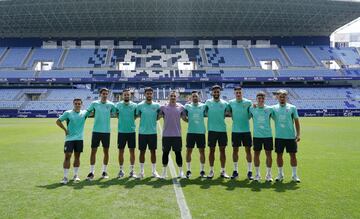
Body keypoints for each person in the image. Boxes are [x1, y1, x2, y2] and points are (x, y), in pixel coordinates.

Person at [86, 88, 116, 180]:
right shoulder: (94, 103)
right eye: (103, 93)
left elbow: (115, 114)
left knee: (106, 152)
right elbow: (88, 113)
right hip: (96, 131)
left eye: (106, 94)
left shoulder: (111, 104)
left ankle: (104, 171)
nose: (105, 95)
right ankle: (91, 172)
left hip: (106, 132)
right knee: (93, 151)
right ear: (100, 94)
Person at [56, 98, 89, 184]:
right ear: (73, 104)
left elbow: (94, 111)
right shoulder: (68, 113)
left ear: (81, 104)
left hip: (79, 139)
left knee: (77, 157)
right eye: (76, 104)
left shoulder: (84, 113)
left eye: (79, 104)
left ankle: (75, 175)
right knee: (67, 156)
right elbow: (58, 121)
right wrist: (65, 130)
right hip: (69, 139)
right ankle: (65, 177)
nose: (77, 105)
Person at [272, 89, 301, 182]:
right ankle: (280, 174)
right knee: (279, 156)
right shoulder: (273, 108)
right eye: (280, 96)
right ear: (277, 97)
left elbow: (296, 122)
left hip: (290, 137)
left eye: (283, 97)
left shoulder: (292, 108)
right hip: (279, 137)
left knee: (293, 156)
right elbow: (263, 108)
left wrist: (298, 134)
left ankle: (294, 175)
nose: (282, 98)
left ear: (286, 97)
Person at [227, 86, 254, 180]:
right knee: (235, 150)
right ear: (234, 94)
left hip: (246, 131)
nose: (238, 94)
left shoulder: (248, 102)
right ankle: (235, 171)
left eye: (240, 92)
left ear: (242, 93)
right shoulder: (230, 103)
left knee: (248, 151)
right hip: (235, 131)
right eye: (237, 93)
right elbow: (228, 112)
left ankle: (250, 171)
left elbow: (250, 115)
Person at [159, 91, 185, 179]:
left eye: (174, 96)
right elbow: (158, 116)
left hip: (177, 135)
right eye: (171, 96)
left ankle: (181, 172)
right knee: (165, 153)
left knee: (178, 153)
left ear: (176, 97)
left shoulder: (181, 107)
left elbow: (184, 118)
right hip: (166, 135)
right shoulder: (163, 107)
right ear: (168, 97)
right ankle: (164, 172)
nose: (173, 97)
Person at [136, 87, 161, 178]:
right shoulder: (140, 105)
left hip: (153, 133)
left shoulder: (157, 105)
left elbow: (159, 116)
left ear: (152, 94)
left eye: (150, 93)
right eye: (147, 93)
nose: (149, 95)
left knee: (153, 152)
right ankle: (141, 172)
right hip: (142, 133)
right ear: (145, 94)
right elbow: (138, 115)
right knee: (142, 152)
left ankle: (154, 171)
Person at [205, 85, 229, 178]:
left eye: (217, 92)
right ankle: (211, 171)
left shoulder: (225, 103)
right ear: (212, 93)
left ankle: (223, 171)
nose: (216, 93)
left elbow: (229, 112)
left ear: (220, 92)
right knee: (211, 151)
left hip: (222, 131)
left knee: (222, 151)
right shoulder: (207, 102)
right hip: (212, 131)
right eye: (214, 92)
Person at [249, 92, 274, 182]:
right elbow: (248, 116)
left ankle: (268, 174)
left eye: (262, 98)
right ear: (256, 99)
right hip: (257, 136)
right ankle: (257, 174)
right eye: (259, 98)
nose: (260, 100)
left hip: (268, 136)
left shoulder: (270, 109)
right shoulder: (252, 108)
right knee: (256, 155)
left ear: (264, 99)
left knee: (269, 155)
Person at [183, 90, 207, 178]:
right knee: (189, 151)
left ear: (199, 97)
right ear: (191, 98)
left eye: (196, 96)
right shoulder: (187, 106)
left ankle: (202, 171)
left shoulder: (203, 106)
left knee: (202, 151)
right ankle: (188, 170)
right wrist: (187, 120)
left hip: (201, 132)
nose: (195, 98)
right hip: (191, 132)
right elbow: (183, 116)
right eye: (193, 96)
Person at [115, 88, 137, 178]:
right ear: (122, 95)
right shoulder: (118, 105)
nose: (126, 96)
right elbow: (116, 114)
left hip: (131, 132)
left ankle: (132, 170)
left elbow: (136, 115)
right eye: (125, 95)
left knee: (132, 151)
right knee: (121, 151)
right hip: (121, 132)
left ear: (130, 95)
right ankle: (121, 170)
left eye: (128, 94)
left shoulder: (135, 105)